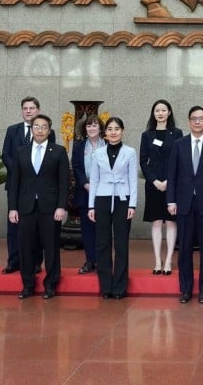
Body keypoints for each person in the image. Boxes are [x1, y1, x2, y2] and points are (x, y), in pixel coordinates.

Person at [167, 105, 203, 304]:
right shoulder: (179, 144)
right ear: (189, 121)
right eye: (194, 118)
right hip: (183, 204)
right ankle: (185, 289)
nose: (198, 121)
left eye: (201, 118)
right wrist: (171, 200)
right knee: (184, 249)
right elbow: (172, 175)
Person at [7, 113, 69, 300]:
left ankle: (50, 285)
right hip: (25, 207)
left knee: (50, 247)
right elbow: (14, 182)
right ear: (31, 129)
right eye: (36, 126)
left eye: (43, 127)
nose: (40, 130)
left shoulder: (58, 151)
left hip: (50, 208)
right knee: (26, 248)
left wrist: (61, 206)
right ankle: (27, 285)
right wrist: (12, 208)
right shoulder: (21, 152)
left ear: (49, 130)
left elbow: (64, 182)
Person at [0, 96, 54, 275]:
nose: (28, 111)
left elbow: (49, 159)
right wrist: (17, 171)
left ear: (38, 110)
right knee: (14, 225)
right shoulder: (12, 130)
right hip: (16, 186)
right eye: (25, 108)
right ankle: (13, 260)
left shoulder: (47, 132)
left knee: (37, 227)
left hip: (38, 189)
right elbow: (5, 154)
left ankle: (36, 262)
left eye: (32, 108)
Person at [87, 116, 138, 299]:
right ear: (104, 133)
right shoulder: (98, 153)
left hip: (123, 199)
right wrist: (91, 205)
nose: (113, 132)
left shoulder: (130, 152)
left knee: (121, 243)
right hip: (102, 197)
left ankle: (120, 287)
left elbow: (133, 179)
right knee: (102, 242)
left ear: (122, 131)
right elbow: (94, 179)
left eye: (117, 128)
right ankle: (106, 286)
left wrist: (132, 203)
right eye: (110, 129)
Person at [140, 100, 183, 275]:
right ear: (153, 113)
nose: (160, 113)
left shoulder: (177, 133)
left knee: (172, 222)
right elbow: (143, 161)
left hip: (172, 184)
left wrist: (169, 181)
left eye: (163, 110)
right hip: (153, 185)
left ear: (169, 112)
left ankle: (168, 261)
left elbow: (181, 159)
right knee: (156, 222)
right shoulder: (147, 134)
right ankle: (157, 260)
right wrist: (154, 181)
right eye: (157, 110)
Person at [72, 115, 104, 274]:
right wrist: (85, 184)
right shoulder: (78, 146)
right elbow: (76, 167)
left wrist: (100, 186)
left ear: (100, 128)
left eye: (95, 125)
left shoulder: (107, 145)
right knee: (87, 229)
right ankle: (90, 260)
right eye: (88, 125)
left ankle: (102, 261)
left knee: (102, 228)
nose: (91, 128)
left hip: (105, 192)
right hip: (85, 192)